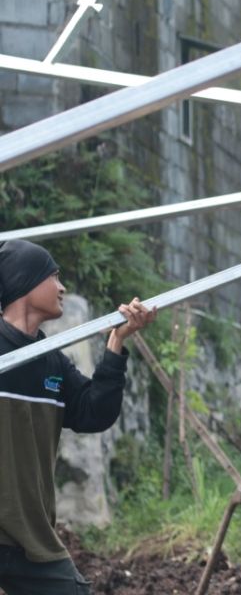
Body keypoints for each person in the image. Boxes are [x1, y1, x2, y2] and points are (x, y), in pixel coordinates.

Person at [0, 239, 156, 595]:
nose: (62, 287)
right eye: (53, 277)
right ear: (26, 282)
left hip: (30, 539)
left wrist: (116, 343)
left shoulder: (51, 362)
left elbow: (94, 412)